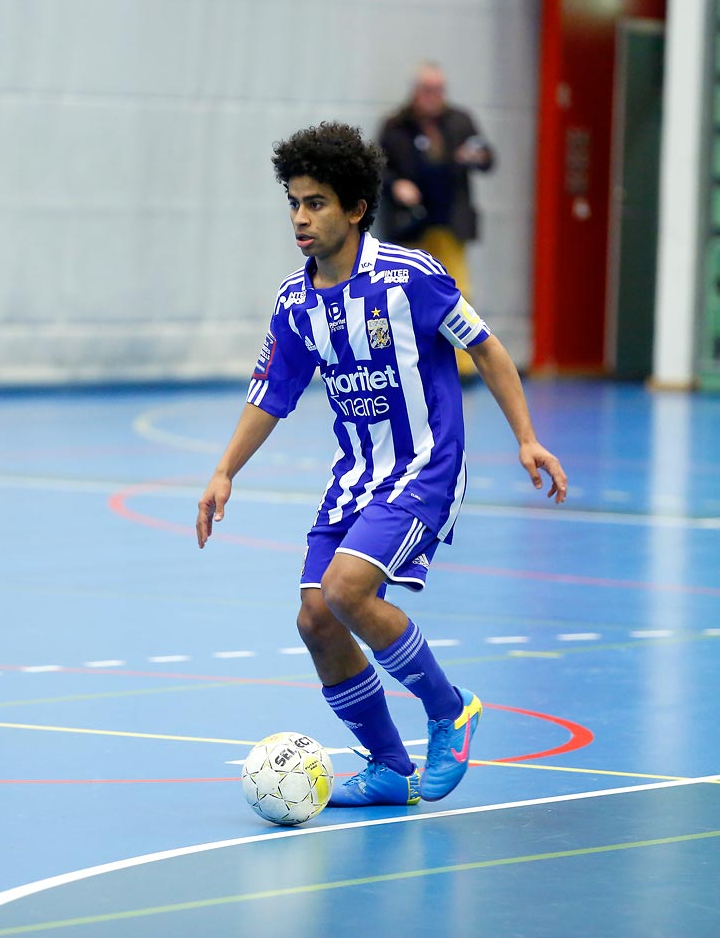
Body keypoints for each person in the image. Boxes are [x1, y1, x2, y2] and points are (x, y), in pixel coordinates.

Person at [196, 121, 565, 807]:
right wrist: (224, 472)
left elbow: (484, 348)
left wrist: (526, 436)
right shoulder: (295, 302)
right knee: (316, 619)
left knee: (346, 588)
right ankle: (392, 768)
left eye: (317, 203)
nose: (301, 218)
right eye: (294, 203)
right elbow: (270, 396)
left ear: (357, 208)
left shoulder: (410, 277)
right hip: (356, 477)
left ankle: (450, 709)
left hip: (424, 466)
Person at [377, 62, 495, 376]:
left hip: (449, 222)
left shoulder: (460, 121)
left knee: (457, 293)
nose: (433, 96)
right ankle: (409, 360)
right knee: (407, 295)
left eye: (439, 90)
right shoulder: (395, 126)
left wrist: (478, 156)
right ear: (415, 91)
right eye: (427, 90)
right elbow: (378, 168)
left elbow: (486, 157)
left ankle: (464, 365)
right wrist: (397, 185)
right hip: (411, 225)